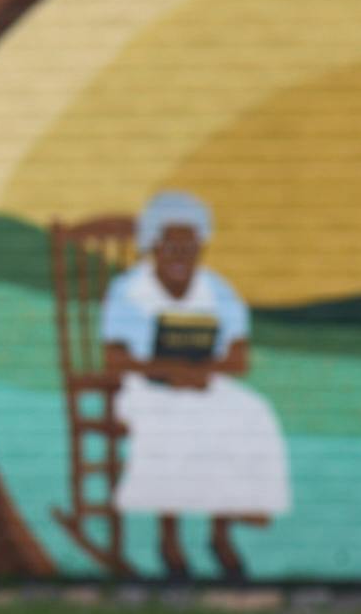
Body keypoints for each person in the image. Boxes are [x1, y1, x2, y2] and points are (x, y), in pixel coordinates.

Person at [98, 190, 286, 580]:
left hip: (203, 385)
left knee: (249, 412)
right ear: (155, 247)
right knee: (176, 422)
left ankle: (222, 530)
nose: (180, 255)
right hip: (146, 390)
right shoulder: (129, 292)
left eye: (189, 246)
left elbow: (239, 356)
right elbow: (115, 358)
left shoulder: (217, 291)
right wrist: (167, 370)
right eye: (171, 245)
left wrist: (201, 372)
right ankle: (170, 539)